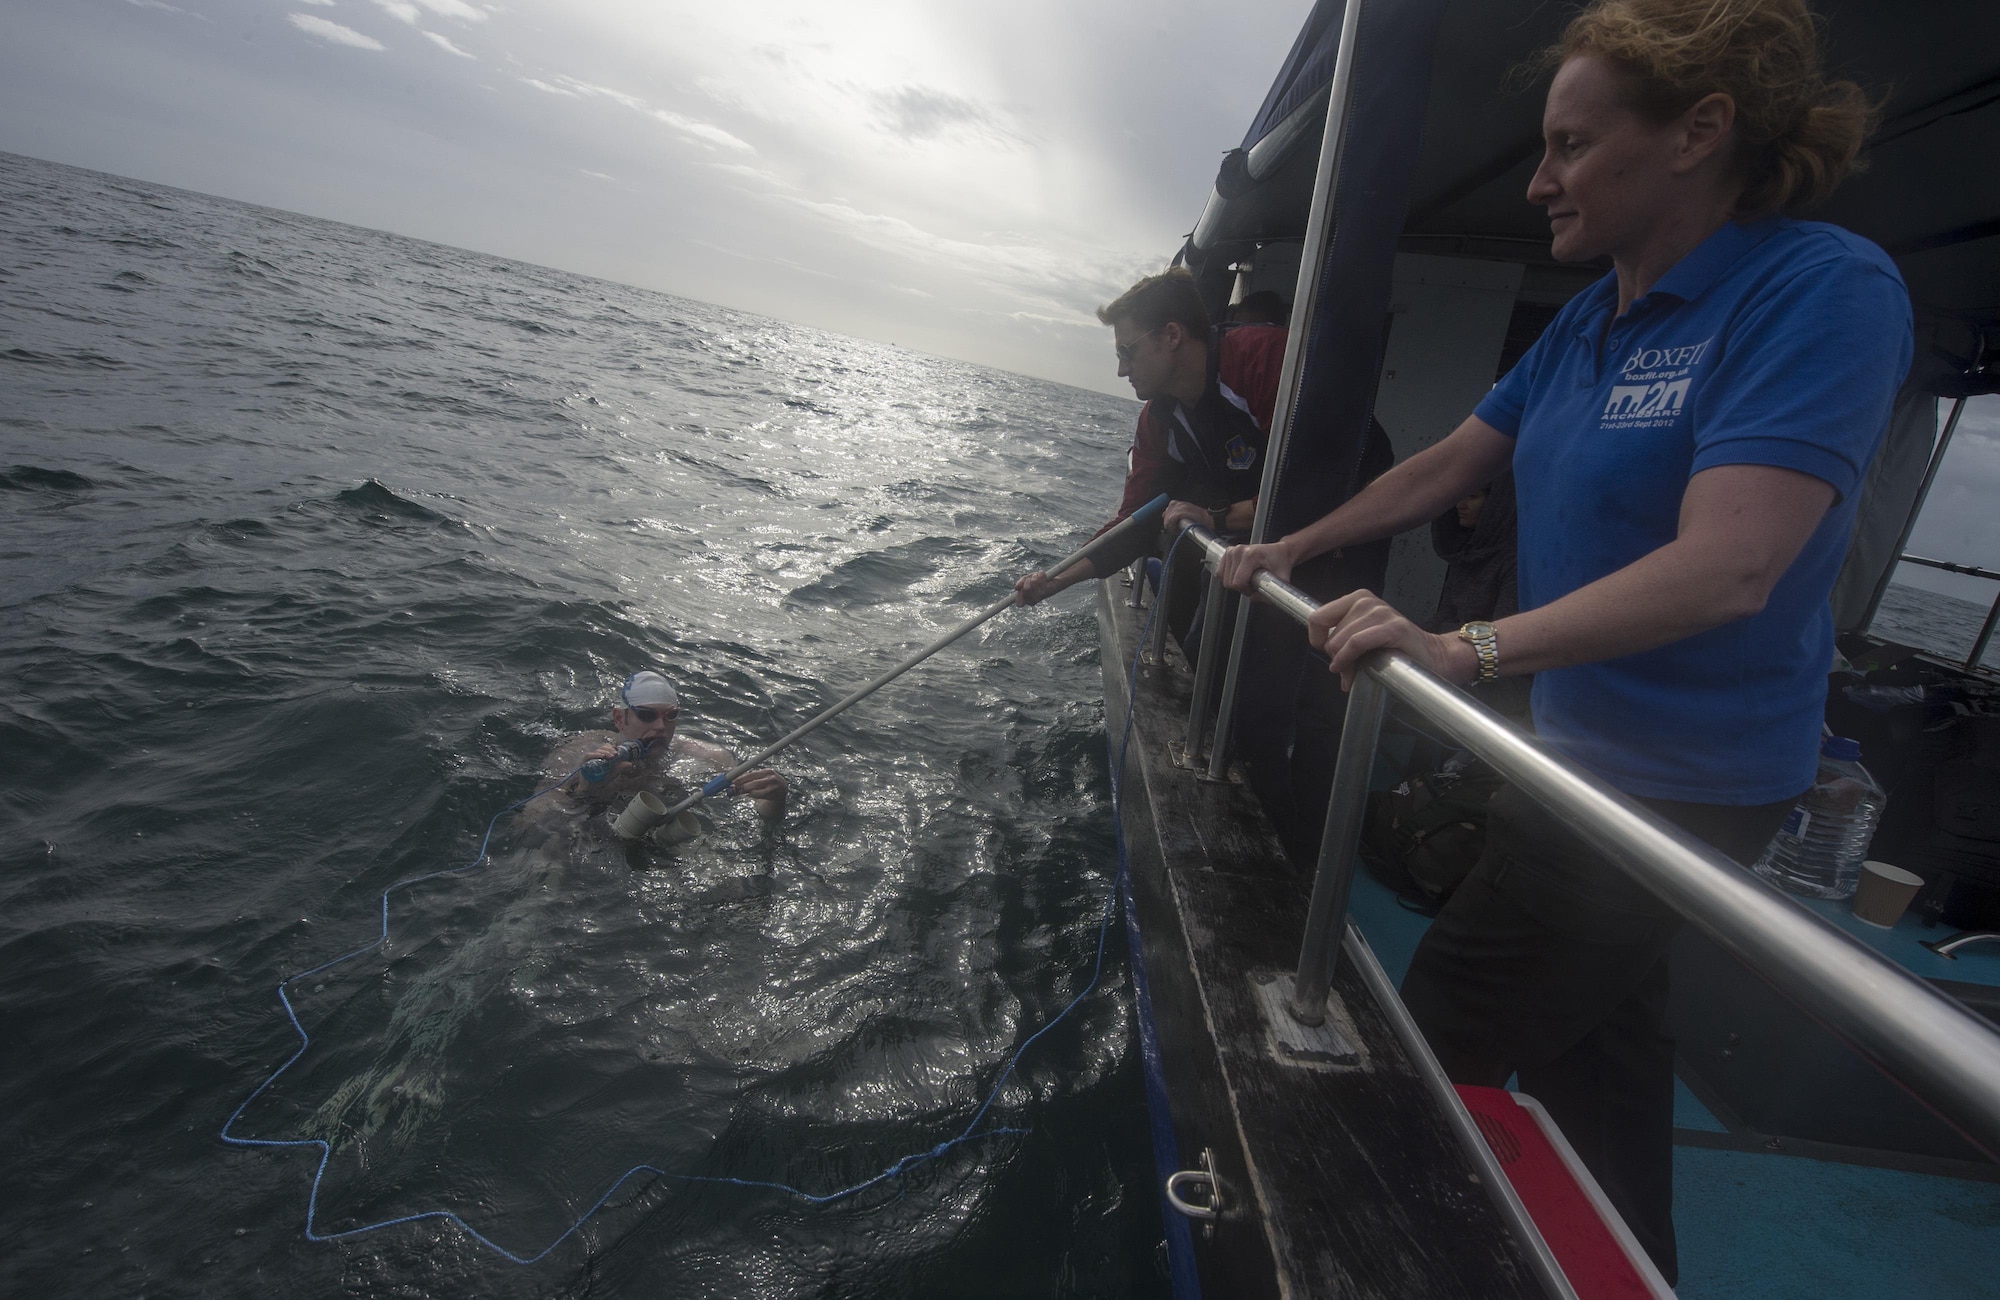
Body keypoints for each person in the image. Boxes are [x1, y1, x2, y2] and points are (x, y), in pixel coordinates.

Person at [1218, 0, 1910, 1281]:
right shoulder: (1591, 317)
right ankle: (1638, 1261)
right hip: (1580, 742)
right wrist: (1291, 545)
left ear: (1699, 131)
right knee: (1603, 1052)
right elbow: (1444, 462)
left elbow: (1730, 567)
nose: (1538, 180)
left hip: (1682, 783)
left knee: (1433, 1041)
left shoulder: (1815, 289)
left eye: (1571, 145)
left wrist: (1462, 646)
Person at [1012, 266, 1288, 614]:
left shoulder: (1264, 360)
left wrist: (1213, 516)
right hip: (1242, 555)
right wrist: (1056, 579)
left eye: (1127, 351)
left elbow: (1311, 484)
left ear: (1171, 336)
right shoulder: (1158, 416)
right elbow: (1135, 520)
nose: (1121, 370)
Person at [527, 670, 787, 831]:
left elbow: (756, 818)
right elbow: (531, 823)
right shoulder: (581, 752)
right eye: (647, 715)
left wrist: (775, 800)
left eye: (671, 716)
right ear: (619, 718)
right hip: (590, 836)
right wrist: (584, 791)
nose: (661, 726)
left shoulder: (707, 757)